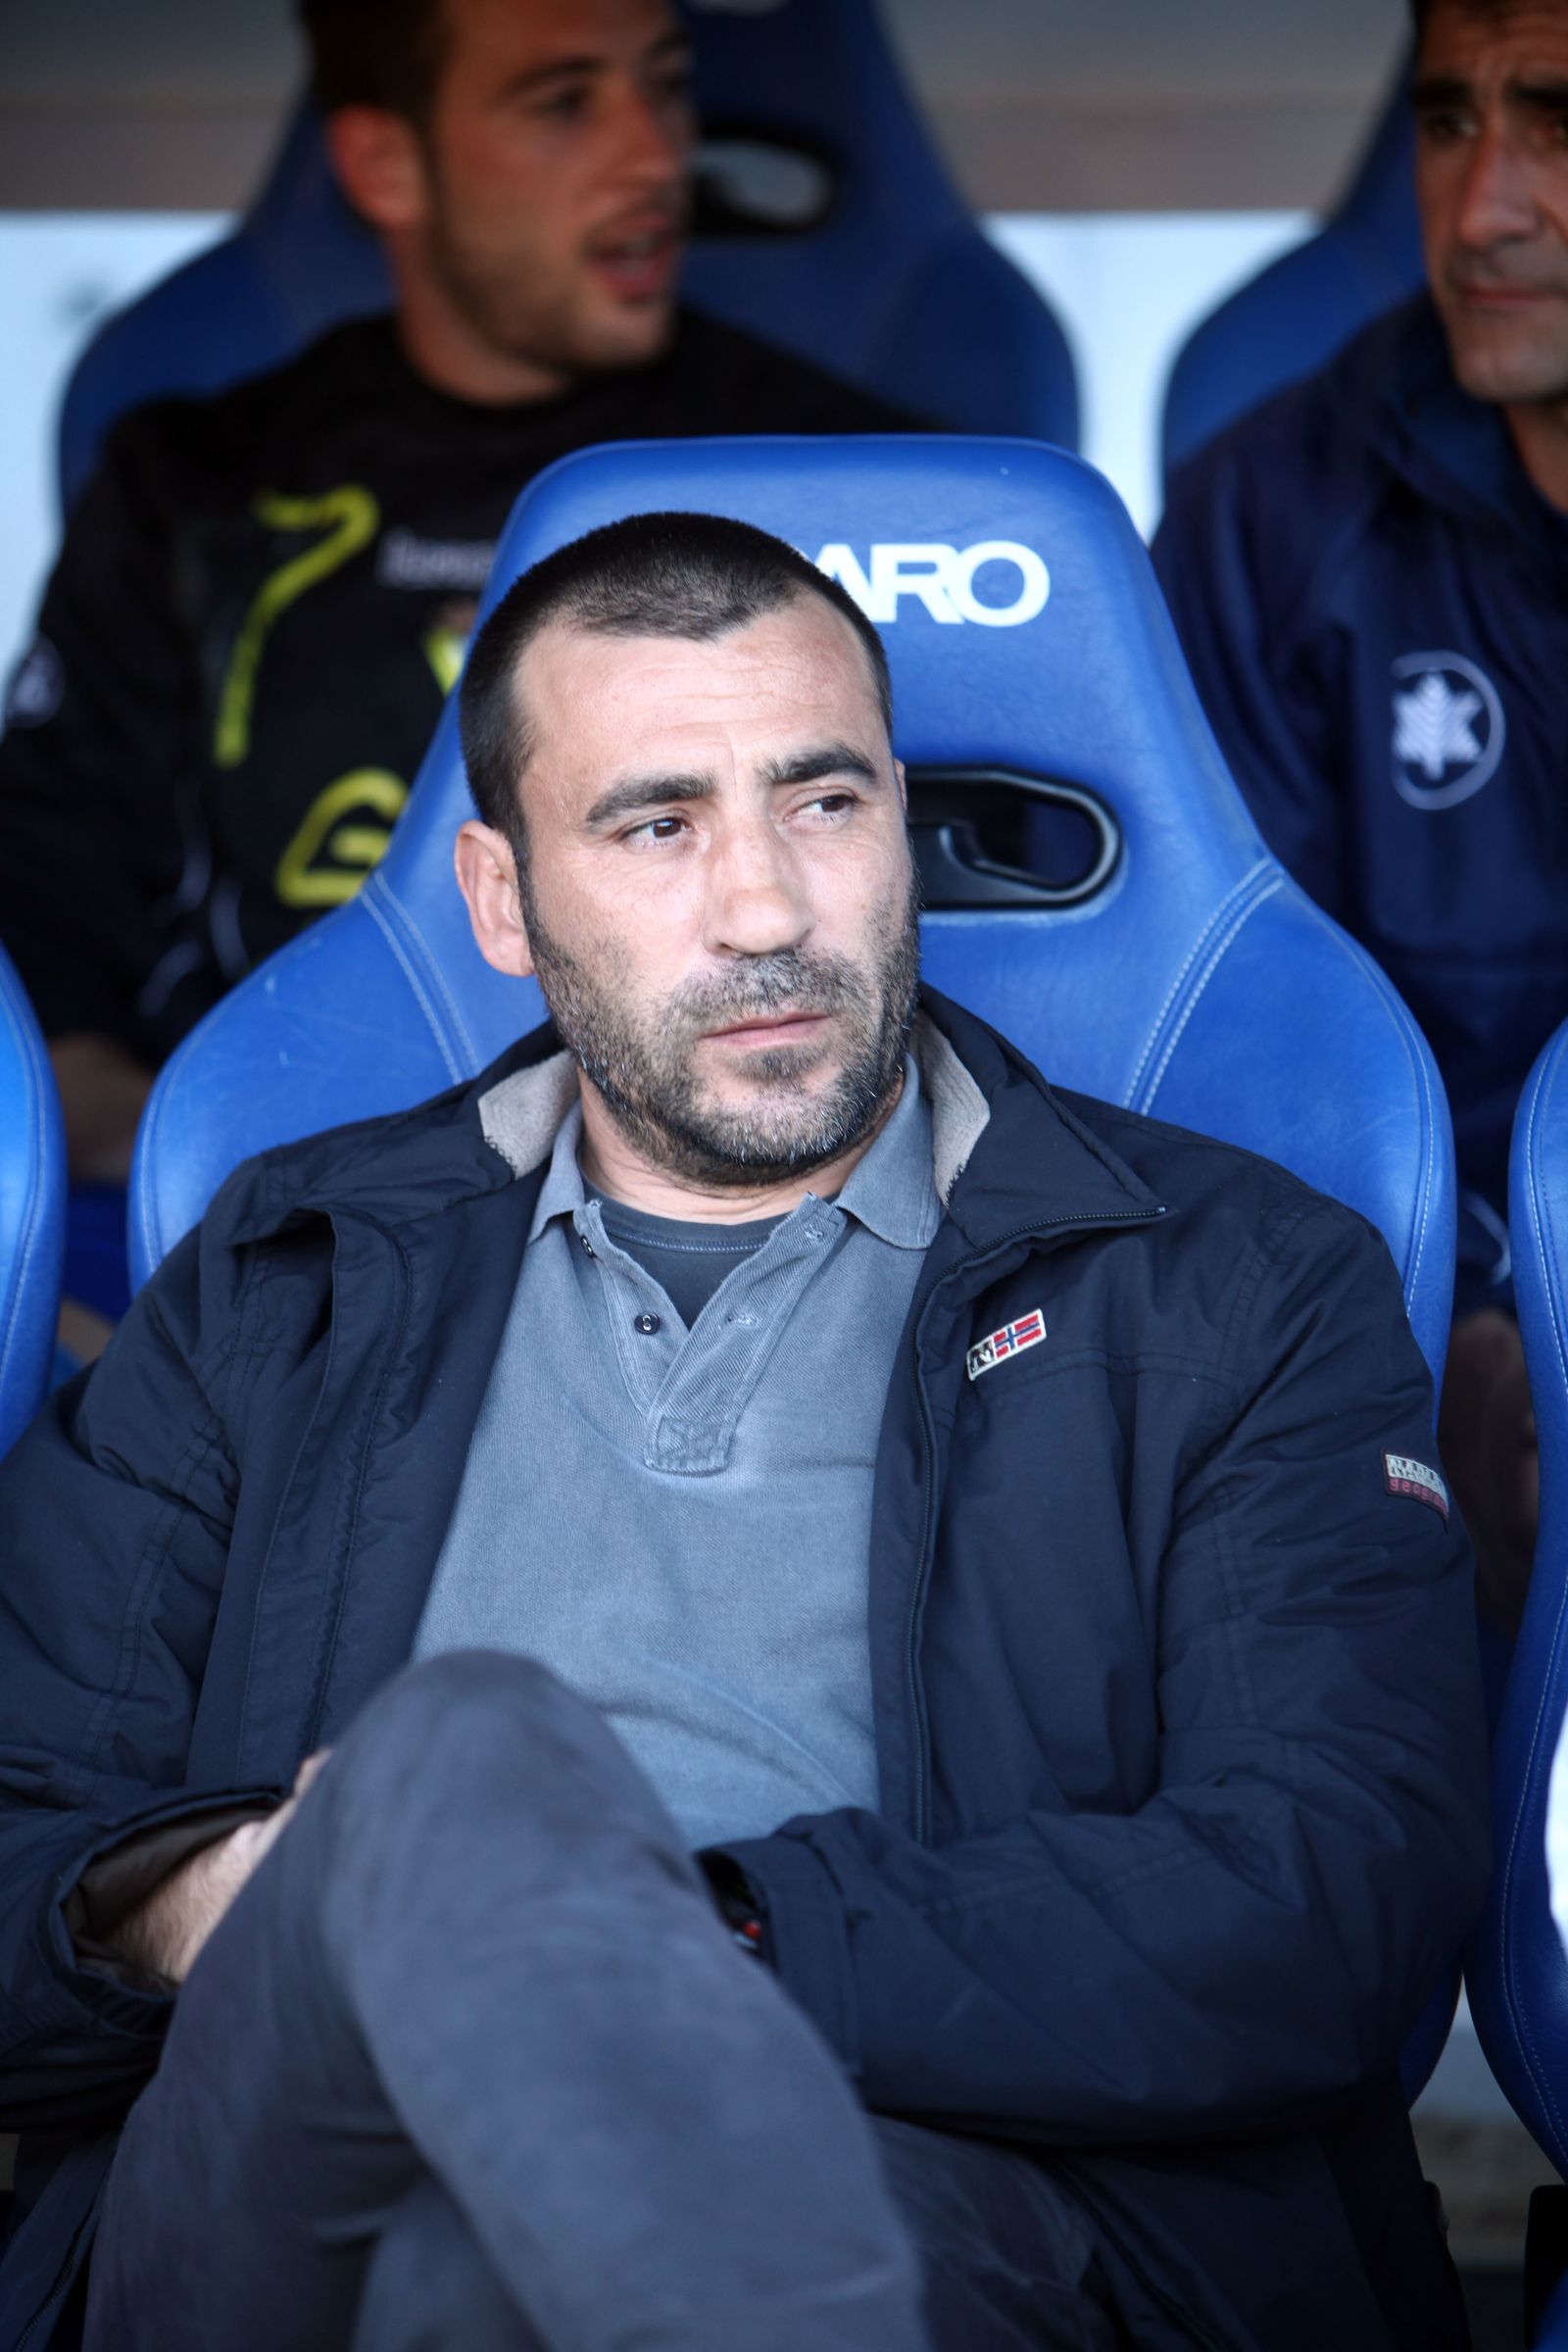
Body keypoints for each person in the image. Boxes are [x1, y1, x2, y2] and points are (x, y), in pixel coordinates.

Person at [0, 511, 1490, 2350]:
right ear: (498, 898)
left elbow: (1333, 1895)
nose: (769, 908)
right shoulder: (282, 1284)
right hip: (271, 2200)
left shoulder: (1234, 1288)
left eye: (827, 802)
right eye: (657, 824)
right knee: (451, 1779)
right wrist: (253, 1900)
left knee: (472, 2262)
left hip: (969, 2199)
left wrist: (654, 1934)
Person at [0, 0, 911, 1204]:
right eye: (564, 103)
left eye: (666, 89)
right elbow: (49, 877)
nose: (654, 159)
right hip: (268, 1188)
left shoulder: (853, 473)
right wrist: (152, 1178)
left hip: (739, 1173)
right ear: (386, 164)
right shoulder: (197, 485)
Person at [1152, 0, 1568, 1634]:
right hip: (1433, 1314)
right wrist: (1461, 1326)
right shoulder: (1275, 512)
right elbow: (1230, 1040)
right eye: (1452, 122)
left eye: (1558, 122)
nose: (1485, 210)